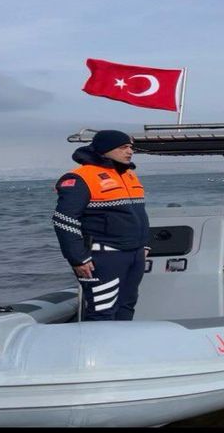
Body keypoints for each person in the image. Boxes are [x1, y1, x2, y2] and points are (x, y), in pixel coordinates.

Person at [52, 130, 150, 321]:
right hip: (105, 256)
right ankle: (99, 351)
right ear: (105, 149)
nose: (129, 151)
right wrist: (78, 258)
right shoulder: (80, 177)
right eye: (123, 147)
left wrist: (145, 244)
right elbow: (63, 219)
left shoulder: (129, 175)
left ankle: (121, 350)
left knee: (126, 307)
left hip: (134, 254)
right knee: (103, 311)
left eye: (131, 147)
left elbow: (139, 214)